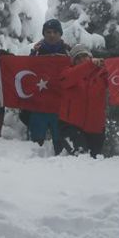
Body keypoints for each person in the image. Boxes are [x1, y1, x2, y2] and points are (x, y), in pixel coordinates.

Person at [22, 19, 71, 148]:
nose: (52, 35)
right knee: (36, 142)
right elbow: (27, 71)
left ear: (60, 34)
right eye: (48, 32)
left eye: (55, 32)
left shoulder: (68, 52)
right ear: (44, 34)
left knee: (61, 141)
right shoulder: (37, 52)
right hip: (39, 103)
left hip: (60, 104)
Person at [57, 44, 109, 158]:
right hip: (71, 126)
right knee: (80, 157)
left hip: (95, 128)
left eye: (84, 56)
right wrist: (89, 65)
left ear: (90, 57)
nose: (81, 60)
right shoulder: (67, 73)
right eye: (78, 58)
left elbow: (118, 72)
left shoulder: (101, 75)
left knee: (94, 161)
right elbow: (72, 76)